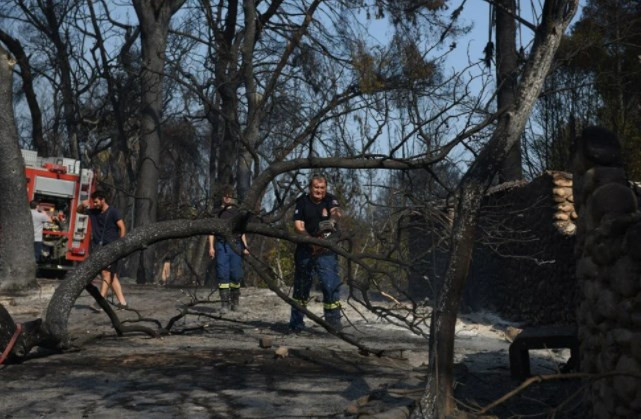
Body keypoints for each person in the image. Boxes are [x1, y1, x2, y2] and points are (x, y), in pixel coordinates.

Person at [289, 174, 343, 332]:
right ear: (310, 188)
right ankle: (296, 324)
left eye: (322, 188)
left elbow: (336, 212)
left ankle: (333, 323)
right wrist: (310, 240)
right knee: (301, 286)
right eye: (316, 188)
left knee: (330, 284)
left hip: (326, 250)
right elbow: (298, 226)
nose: (319, 191)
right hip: (305, 249)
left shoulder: (330, 199)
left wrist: (331, 222)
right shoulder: (302, 201)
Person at [78, 191, 128, 309]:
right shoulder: (94, 212)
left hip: (112, 247)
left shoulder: (113, 212)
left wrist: (120, 244)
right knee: (112, 276)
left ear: (102, 199)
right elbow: (78, 211)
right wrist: (82, 204)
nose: (94, 204)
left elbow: (122, 227)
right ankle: (123, 303)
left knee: (106, 273)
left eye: (96, 202)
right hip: (99, 248)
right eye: (93, 202)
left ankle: (101, 300)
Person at [208, 187, 250, 312]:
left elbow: (242, 232)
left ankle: (235, 301)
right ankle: (224, 303)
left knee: (236, 274)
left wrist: (245, 247)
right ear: (222, 197)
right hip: (221, 245)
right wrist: (211, 247)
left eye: (229, 195)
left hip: (236, 245)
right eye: (225, 195)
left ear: (232, 197)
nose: (227, 197)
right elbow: (211, 231)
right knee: (222, 273)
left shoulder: (237, 212)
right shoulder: (216, 212)